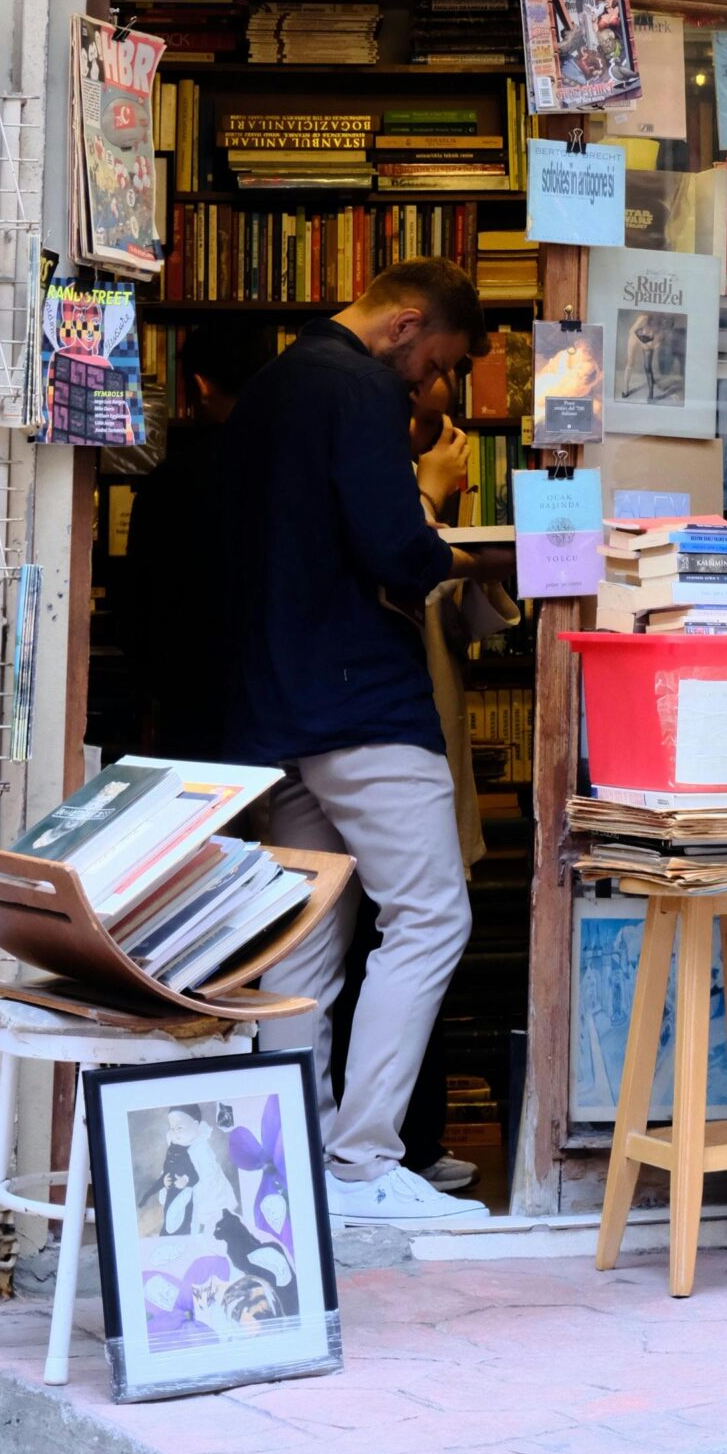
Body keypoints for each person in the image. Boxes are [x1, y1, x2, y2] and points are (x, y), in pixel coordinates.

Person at [221, 259, 507, 1229]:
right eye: (438, 363)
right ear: (405, 326)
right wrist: (469, 555)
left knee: (308, 933)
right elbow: (393, 545)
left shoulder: (273, 383)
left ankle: (292, 1157)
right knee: (431, 915)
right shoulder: (359, 387)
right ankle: (360, 1161)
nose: (434, 385)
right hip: (361, 701)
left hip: (276, 707)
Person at [126, 320, 273, 763]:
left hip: (189, 693)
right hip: (279, 690)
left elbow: (139, 599)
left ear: (200, 387)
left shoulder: (170, 481)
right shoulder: (292, 468)